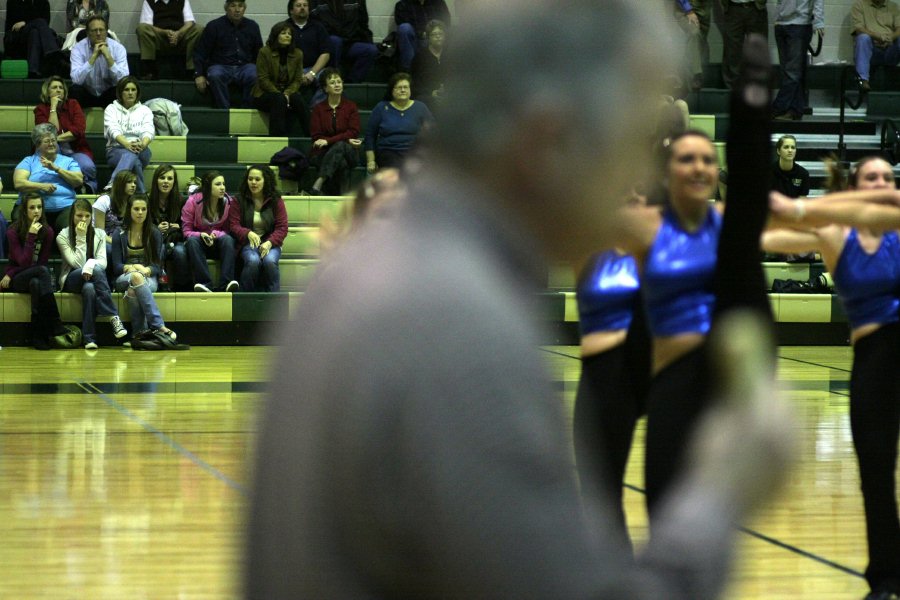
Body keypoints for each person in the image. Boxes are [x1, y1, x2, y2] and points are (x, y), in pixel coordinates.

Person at [245, 3, 793, 597]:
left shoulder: (378, 262)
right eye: (634, 140)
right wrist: (719, 491)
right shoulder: (457, 324)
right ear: (550, 136)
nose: (641, 172)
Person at [612, 35, 776, 518]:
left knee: (712, 528)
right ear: (667, 170)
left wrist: (752, 100)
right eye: (687, 158)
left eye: (708, 159)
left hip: (722, 392)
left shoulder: (730, 227)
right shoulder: (645, 228)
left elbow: (750, 179)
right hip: (669, 386)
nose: (700, 166)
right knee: (662, 511)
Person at [767, 156, 900, 600]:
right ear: (854, 186)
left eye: (887, 176)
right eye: (871, 178)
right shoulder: (834, 233)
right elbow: (773, 236)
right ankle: (885, 576)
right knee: (875, 473)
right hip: (874, 360)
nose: (881, 183)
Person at [573, 242, 651, 551]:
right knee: (598, 492)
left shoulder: (664, 241)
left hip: (655, 371)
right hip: (601, 375)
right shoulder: (586, 240)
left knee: (667, 494)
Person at [57, 197, 128, 349]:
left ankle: (89, 338)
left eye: (87, 216)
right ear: (72, 216)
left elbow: (103, 262)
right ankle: (113, 316)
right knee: (93, 270)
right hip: (72, 278)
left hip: (93, 279)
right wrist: (81, 237)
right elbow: (77, 264)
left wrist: (91, 264)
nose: (84, 219)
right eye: (79, 216)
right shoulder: (63, 236)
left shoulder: (100, 234)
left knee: (89, 289)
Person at [1, 193, 69, 349]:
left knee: (37, 283)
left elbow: (42, 262)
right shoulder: (13, 231)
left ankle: (38, 336)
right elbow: (23, 262)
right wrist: (31, 235)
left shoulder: (48, 232)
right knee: (42, 272)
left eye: (39, 207)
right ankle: (55, 321)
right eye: (32, 207)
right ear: (24, 211)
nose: (36, 211)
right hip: (17, 278)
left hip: (35, 275)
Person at [110, 194, 178, 342]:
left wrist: (147, 270)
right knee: (135, 277)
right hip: (124, 276)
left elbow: (157, 266)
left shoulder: (154, 233)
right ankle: (158, 325)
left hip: (148, 277)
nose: (140, 212)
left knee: (132, 291)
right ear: (129, 210)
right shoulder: (119, 233)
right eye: (136, 209)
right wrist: (133, 267)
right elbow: (116, 267)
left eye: (143, 209)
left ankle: (138, 335)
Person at [33, 76, 98, 194]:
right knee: (52, 146)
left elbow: (78, 130)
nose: (58, 90)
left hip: (75, 150)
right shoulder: (40, 110)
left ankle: (86, 186)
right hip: (52, 150)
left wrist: (56, 138)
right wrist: (53, 108)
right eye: (54, 87)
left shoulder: (73, 104)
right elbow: (49, 133)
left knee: (88, 167)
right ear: (47, 92)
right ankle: (73, 186)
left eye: (61, 88)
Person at [193, 0, 263, 109]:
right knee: (214, 74)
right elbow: (201, 51)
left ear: (244, 9)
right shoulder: (214, 26)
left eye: (240, 6)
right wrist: (199, 74)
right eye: (233, 6)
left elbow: (259, 53)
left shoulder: (252, 26)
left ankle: (246, 109)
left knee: (255, 74)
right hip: (220, 66)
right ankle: (224, 110)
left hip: (245, 67)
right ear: (226, 8)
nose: (237, 9)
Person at [228, 164, 287, 292]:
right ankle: (245, 296)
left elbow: (282, 227)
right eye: (250, 179)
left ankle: (274, 299)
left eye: (257, 179)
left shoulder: (276, 200)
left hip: (270, 242)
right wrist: (247, 233)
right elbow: (233, 225)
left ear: (266, 180)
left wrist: (270, 243)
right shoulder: (238, 200)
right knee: (252, 260)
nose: (253, 182)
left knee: (270, 261)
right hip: (247, 243)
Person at [14, 123, 83, 231]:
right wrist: (41, 186)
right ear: (37, 145)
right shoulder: (29, 161)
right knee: (20, 220)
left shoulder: (68, 161)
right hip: (32, 208)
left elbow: (78, 180)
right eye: (47, 141)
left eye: (54, 140)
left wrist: (57, 169)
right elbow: (19, 183)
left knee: (70, 225)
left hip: (64, 208)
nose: (51, 144)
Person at [182, 170, 239, 292]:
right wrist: (201, 234)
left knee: (228, 239)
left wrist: (216, 234)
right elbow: (186, 231)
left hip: (218, 242)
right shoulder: (192, 202)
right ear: (208, 186)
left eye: (223, 184)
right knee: (192, 240)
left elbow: (229, 230)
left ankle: (226, 283)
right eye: (218, 184)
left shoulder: (229, 202)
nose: (222, 187)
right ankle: (204, 283)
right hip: (199, 243)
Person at [364, 72, 433, 172]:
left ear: (410, 90)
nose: (403, 90)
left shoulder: (420, 107)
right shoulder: (381, 108)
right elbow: (370, 135)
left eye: (406, 87)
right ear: (392, 90)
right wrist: (371, 161)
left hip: (413, 152)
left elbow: (432, 131)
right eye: (399, 87)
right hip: (388, 152)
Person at [308, 67, 361, 195]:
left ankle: (319, 183)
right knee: (341, 163)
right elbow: (316, 136)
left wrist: (328, 141)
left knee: (341, 145)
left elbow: (353, 132)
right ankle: (343, 198)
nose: (337, 85)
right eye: (332, 82)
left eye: (339, 81)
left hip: (350, 152)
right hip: (323, 154)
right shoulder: (318, 109)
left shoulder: (351, 107)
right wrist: (339, 139)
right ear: (325, 88)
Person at [252, 21, 308, 136]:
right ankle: (277, 138)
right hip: (265, 93)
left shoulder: (298, 54)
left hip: (287, 92)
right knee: (278, 100)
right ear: (275, 35)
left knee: (298, 99)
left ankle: (312, 136)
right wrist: (281, 95)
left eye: (290, 34)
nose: (288, 35)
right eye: (283, 33)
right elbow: (263, 79)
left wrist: (287, 93)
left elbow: (297, 80)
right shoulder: (264, 52)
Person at [772, 0, 824, 120]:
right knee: (788, 71)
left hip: (799, 24)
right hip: (782, 24)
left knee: (792, 72)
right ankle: (794, 110)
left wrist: (819, 22)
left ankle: (778, 107)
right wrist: (777, 19)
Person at [104, 76, 154, 193]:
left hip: (142, 149)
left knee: (132, 153)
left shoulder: (145, 110)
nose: (130, 93)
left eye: (133, 89)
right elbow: (113, 130)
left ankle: (114, 182)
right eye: (126, 90)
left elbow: (148, 130)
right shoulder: (111, 109)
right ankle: (141, 195)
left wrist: (142, 144)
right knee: (134, 161)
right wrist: (127, 144)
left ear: (137, 92)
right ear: (120, 92)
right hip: (115, 150)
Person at [310, 0, 377, 83]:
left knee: (371, 50)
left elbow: (363, 23)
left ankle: (352, 82)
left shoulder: (357, 1)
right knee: (335, 41)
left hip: (351, 42)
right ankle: (331, 77)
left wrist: (368, 40)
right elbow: (314, 25)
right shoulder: (316, 2)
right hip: (328, 44)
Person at [69, 16, 129, 108]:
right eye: (94, 30)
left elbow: (123, 81)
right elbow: (76, 80)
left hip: (108, 95)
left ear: (106, 31)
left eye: (101, 30)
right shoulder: (78, 49)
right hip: (87, 94)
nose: (98, 33)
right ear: (88, 33)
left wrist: (108, 57)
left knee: (119, 91)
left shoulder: (118, 48)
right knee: (75, 90)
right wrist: (93, 57)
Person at [136, 0, 203, 81]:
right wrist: (165, 32)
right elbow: (147, 25)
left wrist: (178, 34)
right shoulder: (149, 1)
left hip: (180, 38)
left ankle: (191, 71)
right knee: (142, 28)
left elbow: (189, 22)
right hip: (159, 39)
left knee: (198, 29)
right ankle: (149, 69)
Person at [148, 165, 190, 291]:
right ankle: (157, 283)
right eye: (162, 178)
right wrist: (156, 228)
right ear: (156, 180)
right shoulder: (148, 200)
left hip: (176, 240)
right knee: (158, 249)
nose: (166, 181)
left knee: (180, 252)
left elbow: (188, 227)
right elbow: (142, 225)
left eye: (169, 178)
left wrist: (178, 227)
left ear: (174, 182)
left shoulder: (182, 201)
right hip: (154, 241)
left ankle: (182, 288)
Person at [287, 0, 332, 103]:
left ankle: (313, 110)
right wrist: (297, 73)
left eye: (305, 5)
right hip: (290, 70)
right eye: (298, 5)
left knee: (329, 80)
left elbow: (325, 53)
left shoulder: (318, 27)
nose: (302, 8)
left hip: (315, 69)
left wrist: (312, 73)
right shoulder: (284, 28)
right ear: (291, 10)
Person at [3, 0, 60, 79]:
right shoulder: (13, 2)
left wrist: (26, 22)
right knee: (40, 22)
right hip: (15, 36)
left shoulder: (43, 2)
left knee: (35, 32)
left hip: (32, 34)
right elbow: (16, 22)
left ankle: (33, 70)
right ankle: (52, 50)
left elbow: (46, 21)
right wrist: (28, 22)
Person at [852, 0, 900, 91]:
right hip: (871, 50)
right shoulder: (859, 5)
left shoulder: (894, 6)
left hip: (890, 49)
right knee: (862, 38)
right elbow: (859, 29)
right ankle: (863, 81)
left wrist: (891, 38)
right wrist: (878, 37)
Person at [720, 0, 767, 89]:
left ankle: (758, 87)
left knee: (758, 49)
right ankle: (732, 89)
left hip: (756, 7)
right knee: (732, 50)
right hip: (733, 7)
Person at [393, 0, 450, 71]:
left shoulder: (438, 3)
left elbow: (446, 22)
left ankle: (440, 69)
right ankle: (409, 70)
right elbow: (402, 23)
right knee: (404, 28)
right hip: (414, 41)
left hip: (433, 38)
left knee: (441, 33)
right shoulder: (402, 5)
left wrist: (432, 32)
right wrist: (421, 33)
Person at [675, 0, 711, 91]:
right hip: (685, 8)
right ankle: (696, 74)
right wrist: (688, 10)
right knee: (694, 33)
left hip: (704, 8)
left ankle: (691, 79)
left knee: (700, 42)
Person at [93, 170, 136, 245]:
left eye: (135, 182)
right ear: (120, 184)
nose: (133, 185)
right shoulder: (104, 200)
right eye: (129, 182)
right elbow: (99, 233)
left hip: (122, 240)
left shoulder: (133, 203)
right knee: (109, 249)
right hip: (103, 240)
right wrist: (117, 244)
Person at [410, 19, 446, 108]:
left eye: (440, 34)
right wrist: (431, 92)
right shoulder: (420, 57)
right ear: (428, 37)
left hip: (448, 93)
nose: (438, 37)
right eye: (434, 34)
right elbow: (415, 83)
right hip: (426, 95)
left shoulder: (450, 54)